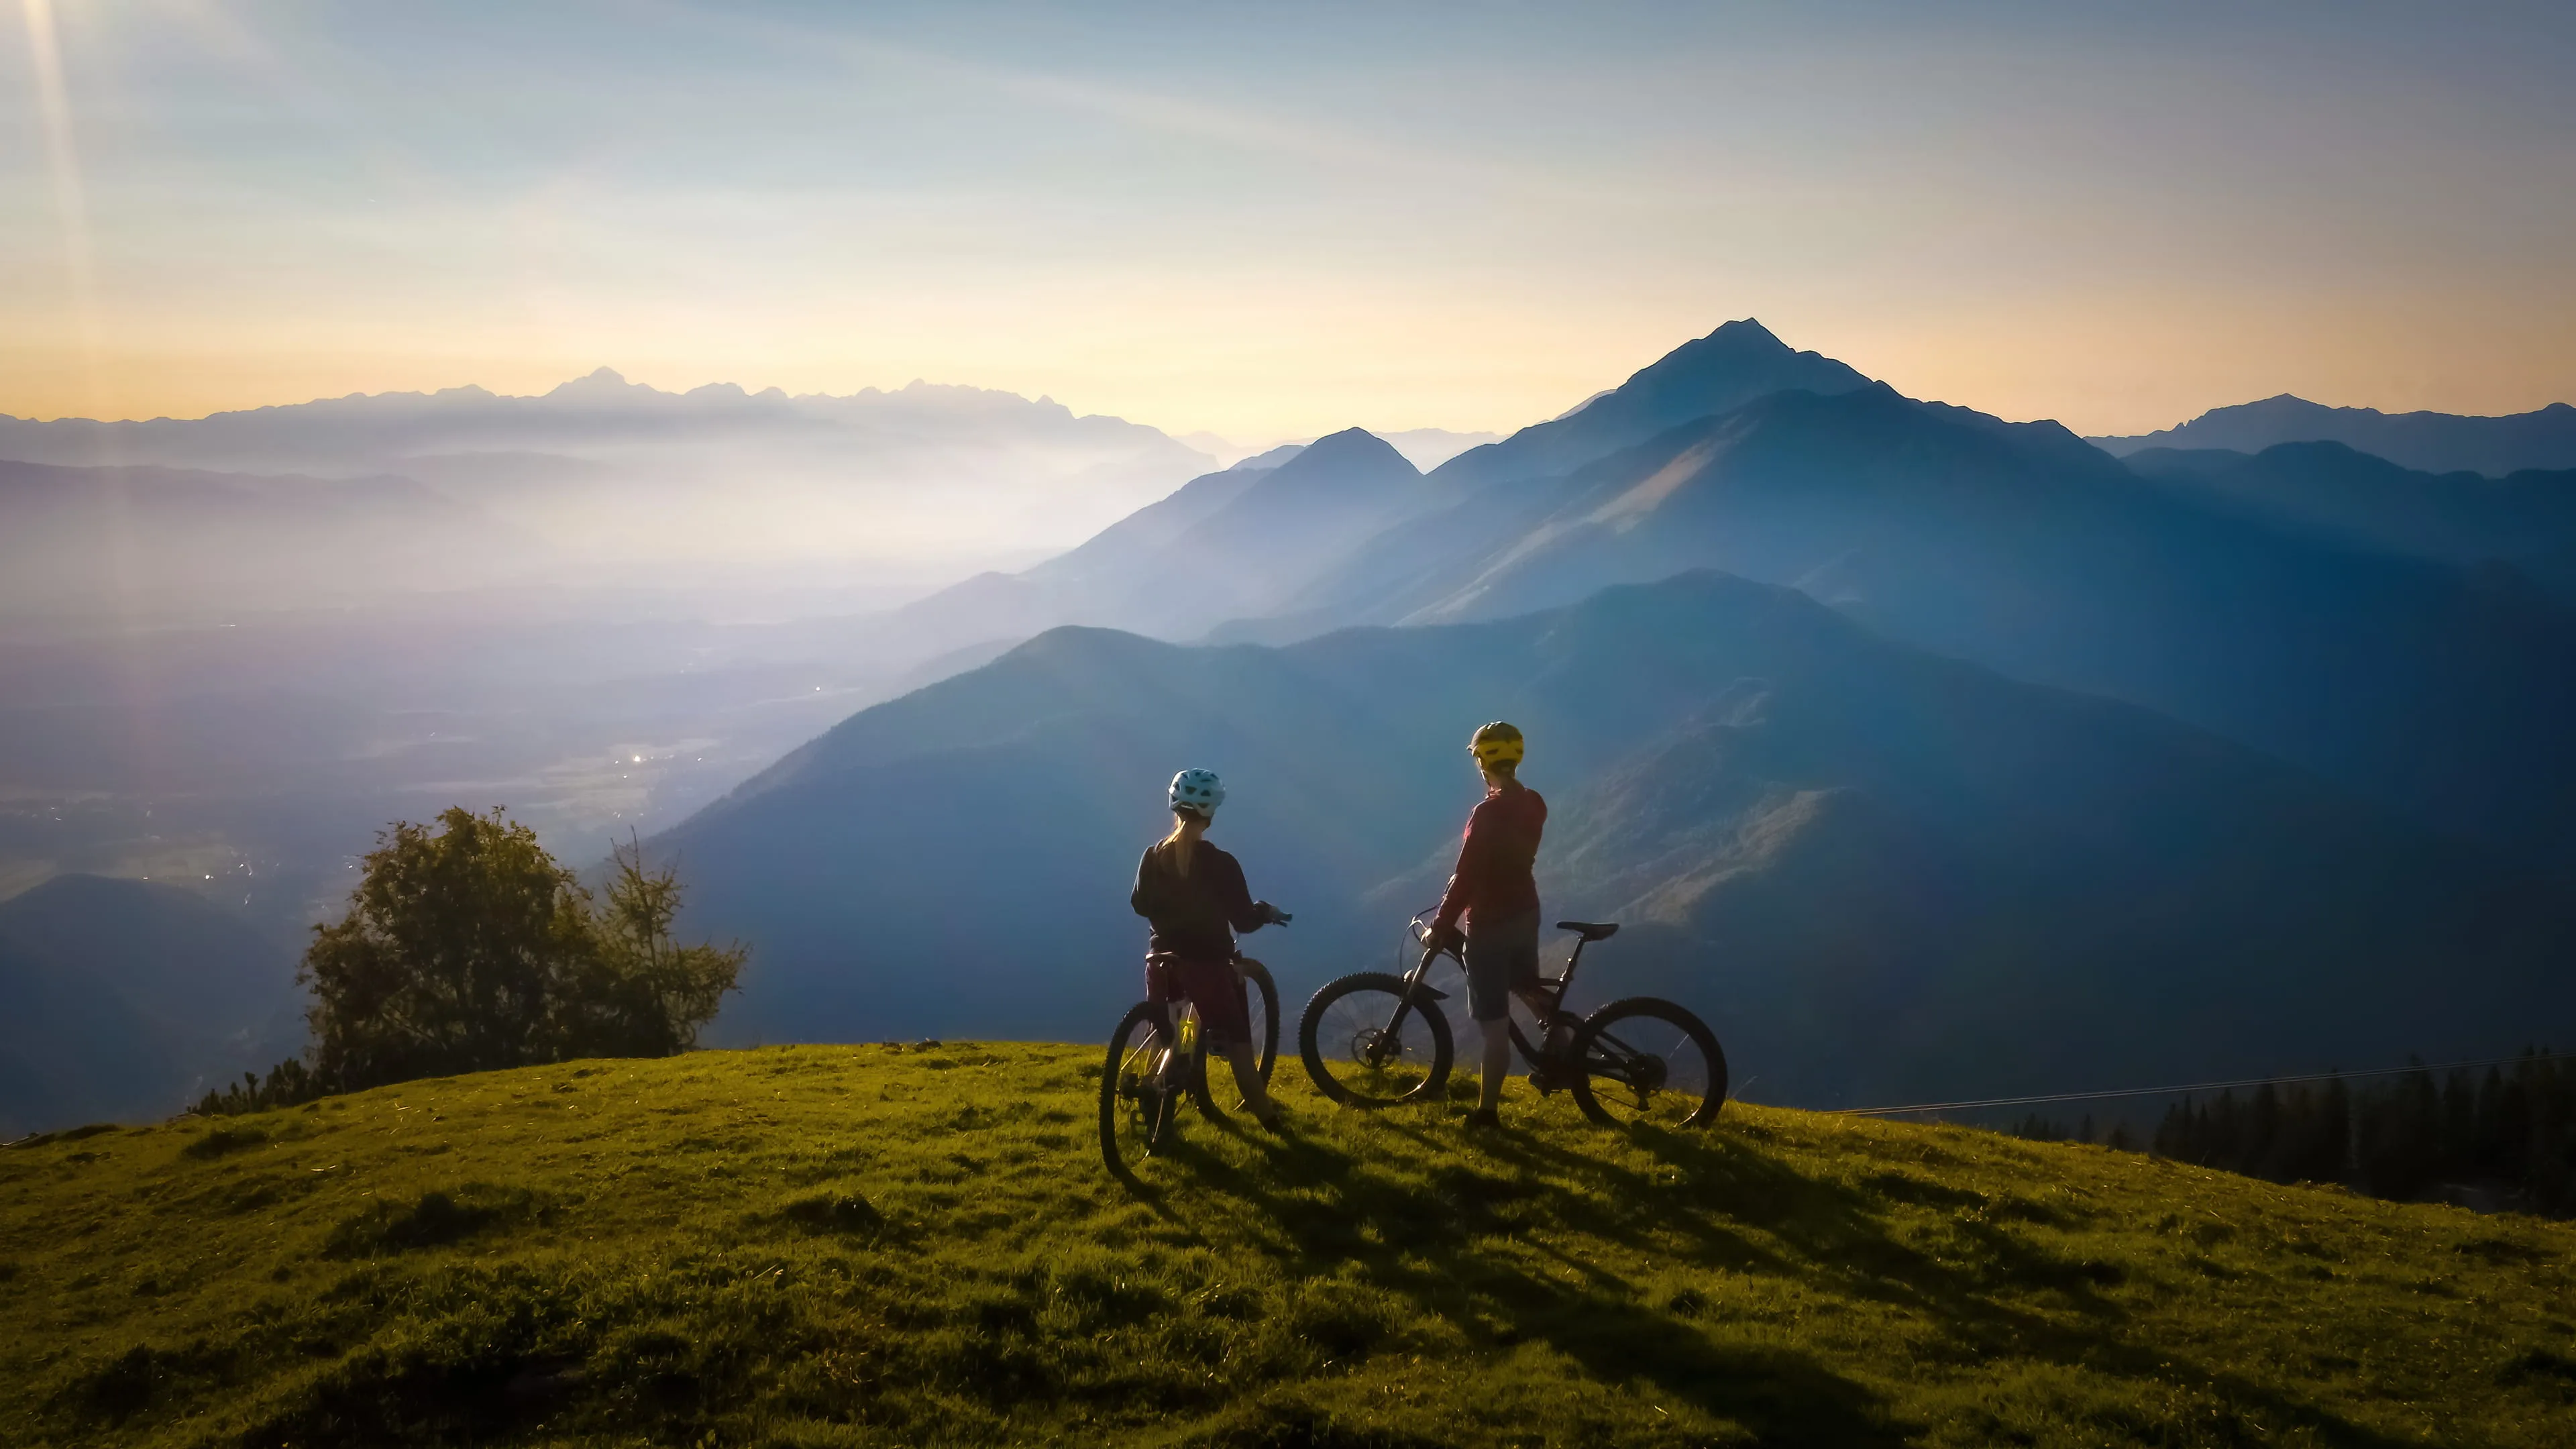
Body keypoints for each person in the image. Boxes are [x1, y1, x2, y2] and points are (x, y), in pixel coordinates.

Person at [1130, 767, 1290, 1130]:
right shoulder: (1222, 863)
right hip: (1208, 965)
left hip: (1161, 960)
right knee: (1239, 1049)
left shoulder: (1152, 856)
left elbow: (1139, 904)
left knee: (1166, 1030)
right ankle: (1271, 1122)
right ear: (1211, 813)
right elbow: (1244, 922)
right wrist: (1264, 913)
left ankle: (1152, 1091)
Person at [1426, 721, 1549, 1128]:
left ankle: (1487, 1114)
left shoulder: (1486, 812)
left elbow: (1467, 877)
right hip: (1526, 911)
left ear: (1482, 761)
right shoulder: (1535, 802)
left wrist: (1442, 924)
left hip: (1490, 923)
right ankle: (1562, 1061)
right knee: (1532, 991)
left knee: (1494, 1025)